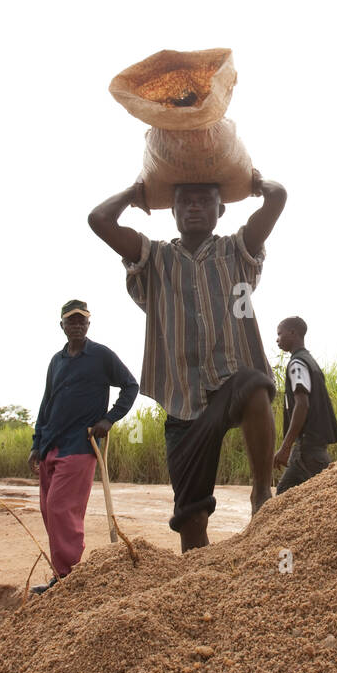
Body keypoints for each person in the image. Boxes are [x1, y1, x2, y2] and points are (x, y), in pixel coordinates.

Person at [88, 172, 287, 551]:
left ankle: (261, 492)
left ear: (221, 209)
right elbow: (99, 220)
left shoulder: (237, 249)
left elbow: (278, 198)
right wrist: (134, 193)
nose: (194, 206)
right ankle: (199, 582)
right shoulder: (155, 257)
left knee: (255, 385)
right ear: (173, 210)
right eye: (184, 201)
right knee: (190, 518)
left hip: (229, 382)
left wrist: (255, 183)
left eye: (203, 200)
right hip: (182, 402)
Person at [28, 299, 138, 593]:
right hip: (51, 442)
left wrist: (109, 419)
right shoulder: (57, 360)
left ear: (88, 324)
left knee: (61, 509)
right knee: (49, 511)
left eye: (82, 321)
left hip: (80, 444)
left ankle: (69, 576)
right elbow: (46, 402)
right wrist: (37, 443)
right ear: (61, 325)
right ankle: (62, 574)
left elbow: (130, 385)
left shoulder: (101, 356)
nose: (76, 326)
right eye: (71, 321)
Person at [273, 318, 337, 493]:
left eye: (280, 334)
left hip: (307, 448)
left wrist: (285, 447)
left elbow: (302, 405)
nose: (277, 340)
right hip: (314, 446)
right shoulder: (310, 361)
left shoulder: (297, 364)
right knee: (317, 494)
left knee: (283, 498)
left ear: (293, 333)